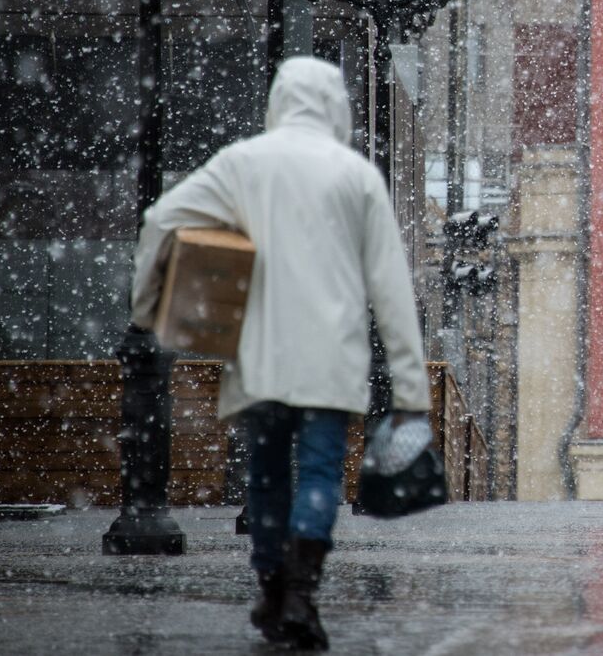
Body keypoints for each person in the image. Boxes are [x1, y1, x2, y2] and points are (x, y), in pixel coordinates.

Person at [130, 57, 432, 650]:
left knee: (264, 477)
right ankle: (302, 592)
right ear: (336, 106)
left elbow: (161, 218)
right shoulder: (357, 175)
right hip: (331, 358)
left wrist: (147, 310)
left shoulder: (245, 163)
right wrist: (411, 386)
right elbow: (391, 287)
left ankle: (271, 587)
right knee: (319, 472)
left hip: (260, 356)